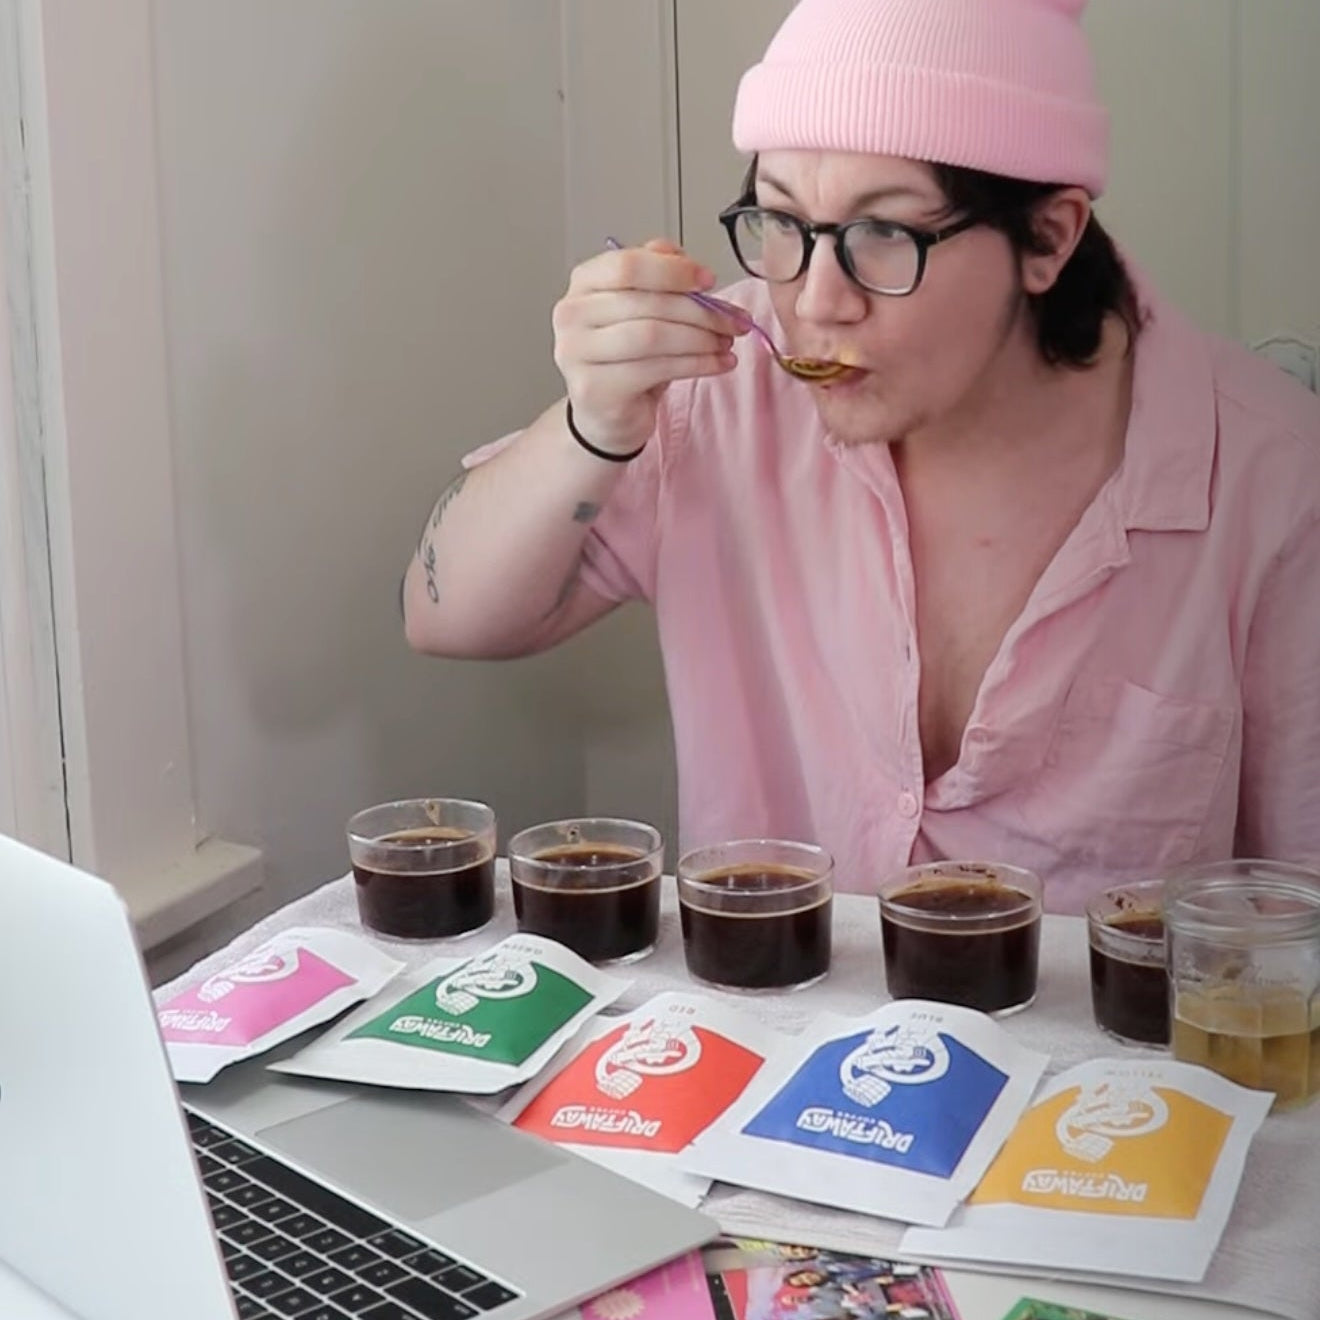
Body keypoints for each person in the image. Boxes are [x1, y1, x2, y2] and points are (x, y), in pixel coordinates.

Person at [401, 0, 1320, 914]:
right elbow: (447, 618)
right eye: (781, 224)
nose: (814, 300)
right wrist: (591, 424)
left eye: (885, 234)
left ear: (1049, 236)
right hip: (772, 1023)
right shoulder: (717, 386)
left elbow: (1302, 917)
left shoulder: (1272, 479)